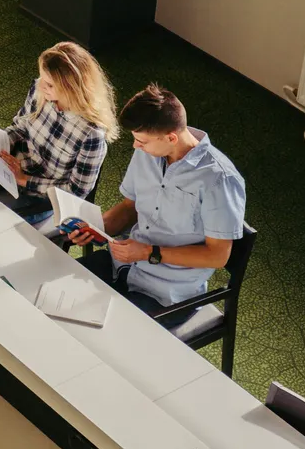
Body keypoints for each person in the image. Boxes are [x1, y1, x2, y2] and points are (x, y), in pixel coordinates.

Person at [67, 84, 246, 327]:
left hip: (168, 295)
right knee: (56, 287)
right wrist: (97, 227)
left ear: (171, 137)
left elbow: (217, 256)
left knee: (105, 334)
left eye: (141, 141)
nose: (135, 147)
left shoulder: (220, 180)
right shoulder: (147, 152)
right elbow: (131, 208)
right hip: (122, 265)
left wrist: (149, 252)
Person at [0, 42, 119, 226]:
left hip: (39, 197)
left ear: (71, 87)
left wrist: (23, 179)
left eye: (49, 84)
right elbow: (20, 126)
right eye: (42, 78)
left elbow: (76, 192)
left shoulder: (91, 135)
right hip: (9, 167)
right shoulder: (41, 90)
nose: (41, 86)